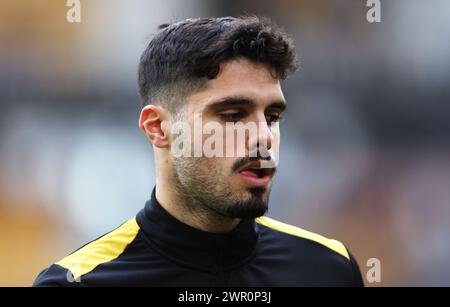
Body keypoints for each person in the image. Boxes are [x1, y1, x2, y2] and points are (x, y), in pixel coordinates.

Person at [33, 16, 364, 287]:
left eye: (272, 117)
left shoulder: (329, 269)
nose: (264, 137)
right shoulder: (77, 282)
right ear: (158, 128)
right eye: (233, 116)